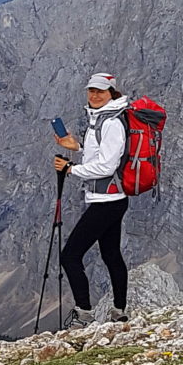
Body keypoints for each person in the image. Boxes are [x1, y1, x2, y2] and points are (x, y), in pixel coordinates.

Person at [53, 72, 130, 325]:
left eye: (101, 91)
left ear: (112, 94)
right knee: (111, 254)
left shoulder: (111, 123)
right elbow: (102, 156)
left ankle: (83, 314)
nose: (95, 95)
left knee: (70, 256)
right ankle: (119, 312)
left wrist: (70, 169)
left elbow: (107, 167)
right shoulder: (103, 119)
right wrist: (77, 149)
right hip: (111, 199)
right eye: (92, 90)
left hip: (106, 202)